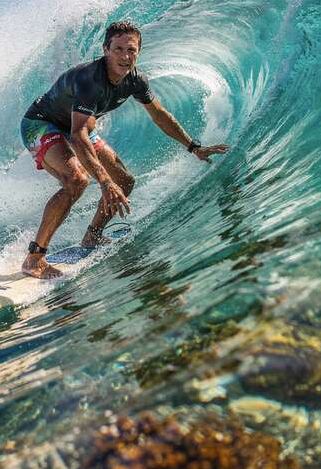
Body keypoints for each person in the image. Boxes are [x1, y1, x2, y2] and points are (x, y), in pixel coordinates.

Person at [19, 21, 229, 279]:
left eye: (131, 50)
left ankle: (92, 237)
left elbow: (160, 115)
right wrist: (104, 181)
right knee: (77, 180)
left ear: (139, 52)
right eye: (118, 49)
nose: (125, 56)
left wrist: (194, 146)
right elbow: (77, 135)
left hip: (79, 125)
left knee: (124, 181)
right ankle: (35, 258)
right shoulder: (89, 80)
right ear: (106, 49)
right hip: (42, 123)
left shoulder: (135, 80)